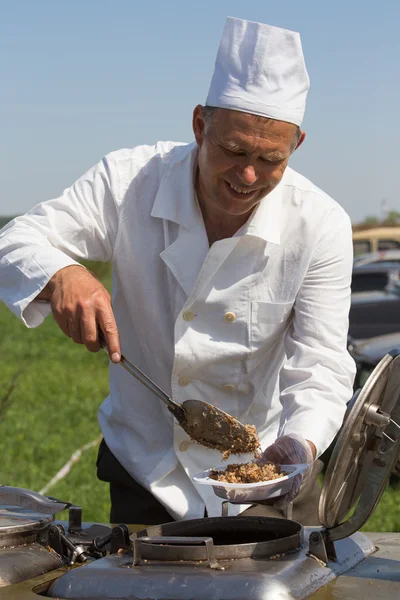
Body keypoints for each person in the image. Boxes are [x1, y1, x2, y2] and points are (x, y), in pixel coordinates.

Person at [0, 17, 355, 525]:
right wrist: (60, 272)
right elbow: (14, 239)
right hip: (146, 470)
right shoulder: (131, 182)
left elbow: (321, 361)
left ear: (296, 145)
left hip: (265, 474)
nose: (248, 175)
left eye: (270, 159)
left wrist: (302, 442)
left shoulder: (320, 224)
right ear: (198, 126)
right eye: (233, 150)